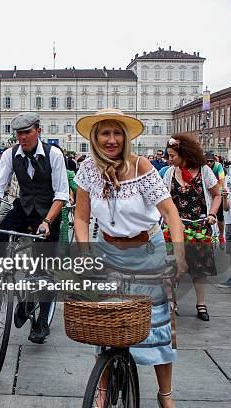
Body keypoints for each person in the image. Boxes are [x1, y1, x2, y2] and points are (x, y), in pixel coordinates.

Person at [74, 108, 186, 408]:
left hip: (147, 254)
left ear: (126, 137)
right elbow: (81, 217)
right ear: (95, 138)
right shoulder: (87, 170)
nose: (112, 140)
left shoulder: (141, 166)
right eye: (105, 133)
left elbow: (170, 213)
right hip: (107, 252)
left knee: (158, 327)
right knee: (106, 327)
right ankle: (102, 391)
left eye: (117, 133)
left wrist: (179, 253)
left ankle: (165, 395)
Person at [0, 112, 69, 344]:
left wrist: (47, 222)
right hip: (24, 207)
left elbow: (62, 194)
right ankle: (12, 278)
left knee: (45, 268)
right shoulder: (10, 154)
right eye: (19, 134)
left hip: (48, 212)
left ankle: (42, 320)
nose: (23, 138)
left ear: (38, 130)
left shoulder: (53, 154)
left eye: (27, 132)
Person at [163, 136, 221, 321]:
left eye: (172, 156)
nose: (169, 159)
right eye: (168, 156)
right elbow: (163, 200)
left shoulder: (204, 171)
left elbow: (217, 195)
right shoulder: (170, 173)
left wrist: (212, 214)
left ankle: (201, 304)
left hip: (199, 226)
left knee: (198, 268)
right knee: (173, 266)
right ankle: (173, 301)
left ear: (184, 153)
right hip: (175, 226)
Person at [205, 151, 226, 243]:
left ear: (214, 161)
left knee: (220, 216)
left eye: (211, 161)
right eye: (207, 161)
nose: (209, 163)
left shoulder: (218, 166)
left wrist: (217, 193)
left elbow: (221, 181)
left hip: (217, 190)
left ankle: (221, 234)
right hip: (207, 191)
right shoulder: (203, 166)